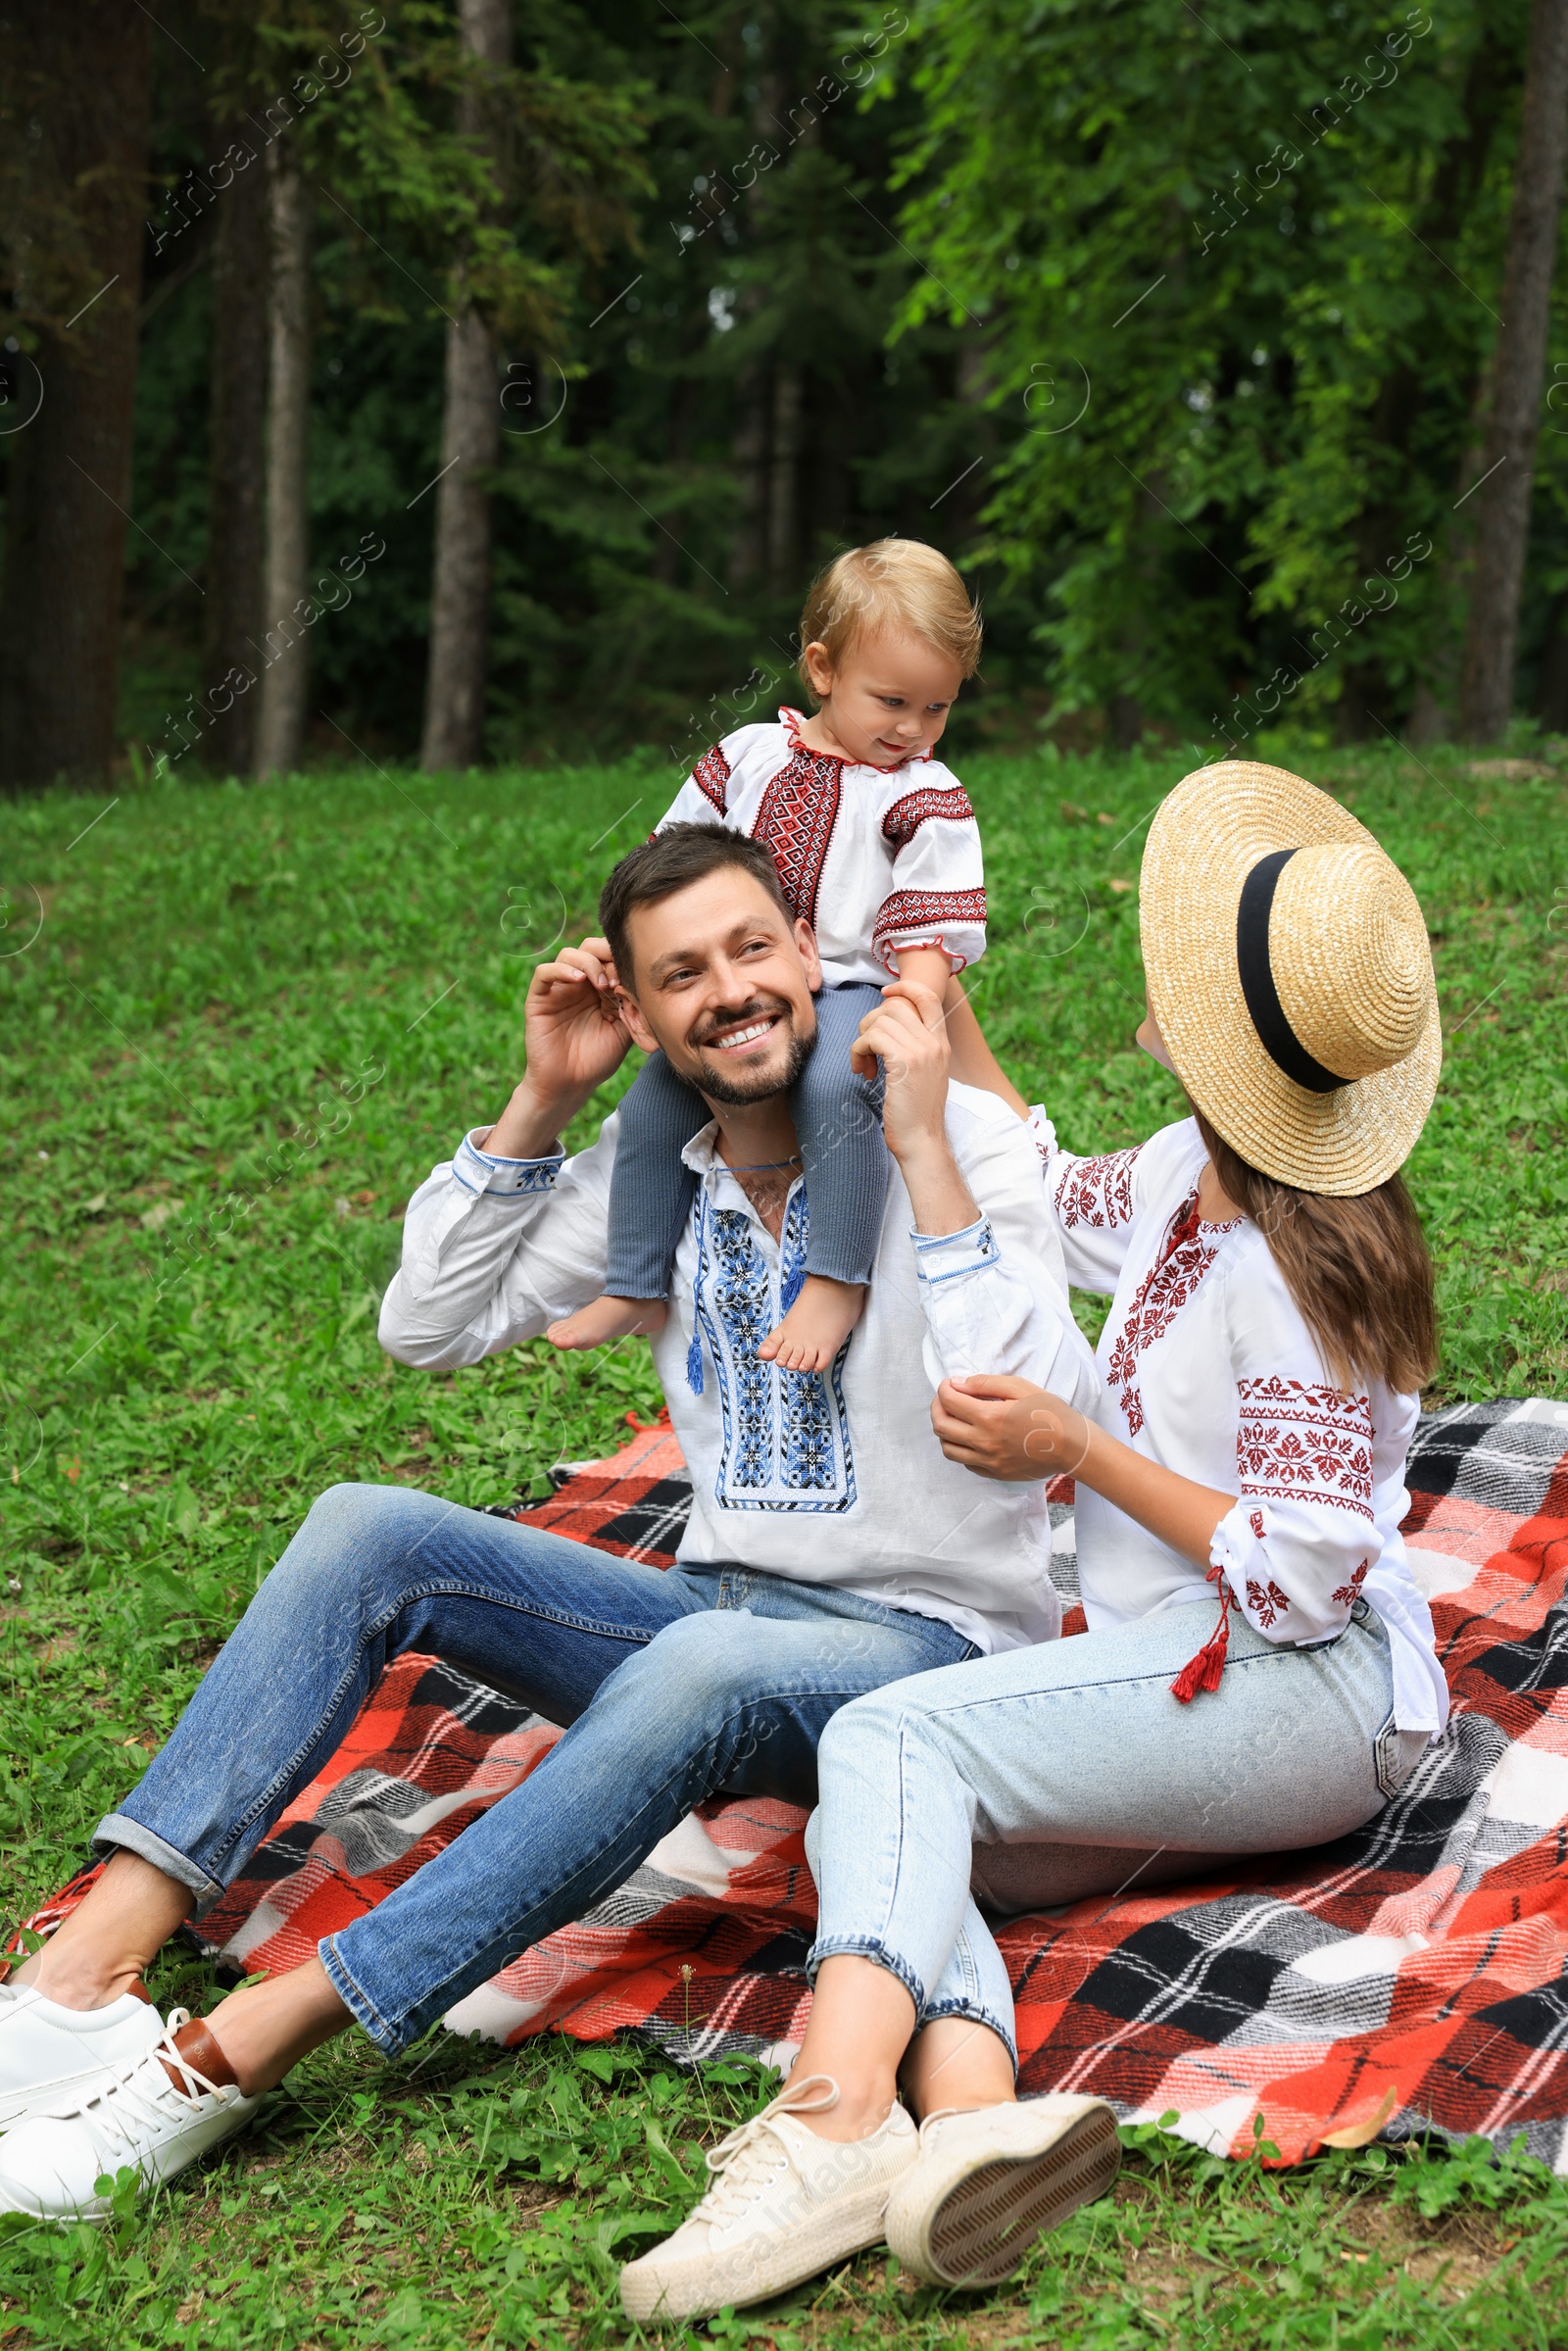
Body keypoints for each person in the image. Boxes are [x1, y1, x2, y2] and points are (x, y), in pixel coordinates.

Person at [0, 822, 1097, 2221]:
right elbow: (425, 1324)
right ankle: (82, 1977)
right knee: (365, 1524)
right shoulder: (666, 1179)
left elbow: (1045, 1404)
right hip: (717, 1613)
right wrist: (540, 1096)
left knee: (700, 1667)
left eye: (755, 948)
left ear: (809, 959)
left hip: (927, 1652)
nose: (733, 990)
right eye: (684, 973)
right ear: (641, 1015)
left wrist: (927, 1147)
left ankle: (232, 2052)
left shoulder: (955, 1133)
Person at [620, 759, 1447, 2324]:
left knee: (886, 1739)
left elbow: (1304, 1573)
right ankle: (976, 2120)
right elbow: (1058, 1194)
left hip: (1307, 1690)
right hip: (1181, 1660)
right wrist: (931, 989)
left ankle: (824, 2121)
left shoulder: (1298, 1269)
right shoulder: (1194, 1173)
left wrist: (1080, 1450)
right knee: (873, 1825)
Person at [549, 538, 988, 1376]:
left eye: (937, 708)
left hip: (856, 980)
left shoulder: (922, 794)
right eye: (892, 700)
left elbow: (931, 915)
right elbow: (669, 867)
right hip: (742, 979)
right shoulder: (750, 755)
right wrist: (628, 953)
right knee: (651, 1105)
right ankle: (636, 1278)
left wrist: (915, 997)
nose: (912, 728)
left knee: (838, 1084)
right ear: (821, 668)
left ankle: (836, 1275)